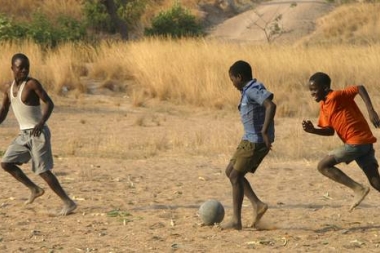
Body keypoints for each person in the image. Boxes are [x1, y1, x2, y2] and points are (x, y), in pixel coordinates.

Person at [0, 53, 77, 216]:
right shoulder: (8, 87)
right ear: (12, 68)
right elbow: (5, 108)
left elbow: (49, 102)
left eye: (26, 67)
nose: (24, 70)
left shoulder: (32, 84)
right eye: (20, 67)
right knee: (6, 163)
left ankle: (68, 202)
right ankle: (34, 189)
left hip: (38, 133)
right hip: (23, 135)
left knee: (42, 170)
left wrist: (41, 123)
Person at [302, 72, 380, 212]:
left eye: (314, 89)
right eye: (310, 90)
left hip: (356, 142)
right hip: (364, 143)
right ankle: (360, 188)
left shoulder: (336, 96)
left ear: (325, 88)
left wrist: (371, 111)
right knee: (375, 181)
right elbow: (330, 131)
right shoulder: (324, 106)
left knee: (323, 166)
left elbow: (359, 88)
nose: (312, 93)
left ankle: (358, 189)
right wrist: (313, 130)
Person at [221, 60, 276, 230]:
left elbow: (270, 105)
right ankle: (257, 204)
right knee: (230, 171)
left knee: (236, 176)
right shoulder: (248, 89)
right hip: (248, 139)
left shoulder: (253, 90)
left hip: (256, 142)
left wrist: (265, 132)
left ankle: (236, 221)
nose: (232, 84)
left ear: (239, 77)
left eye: (232, 80)